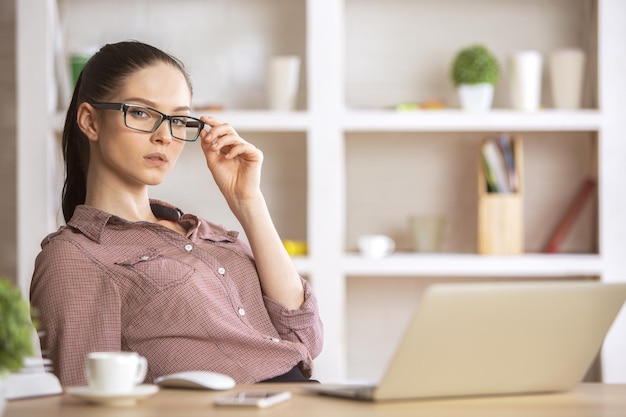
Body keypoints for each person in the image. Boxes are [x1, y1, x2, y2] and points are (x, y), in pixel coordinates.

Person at [30, 40, 323, 387]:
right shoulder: (76, 257)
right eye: (140, 112)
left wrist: (248, 201)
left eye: (178, 119)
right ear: (90, 122)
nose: (165, 136)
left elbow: (304, 335)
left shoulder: (206, 232)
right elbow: (87, 402)